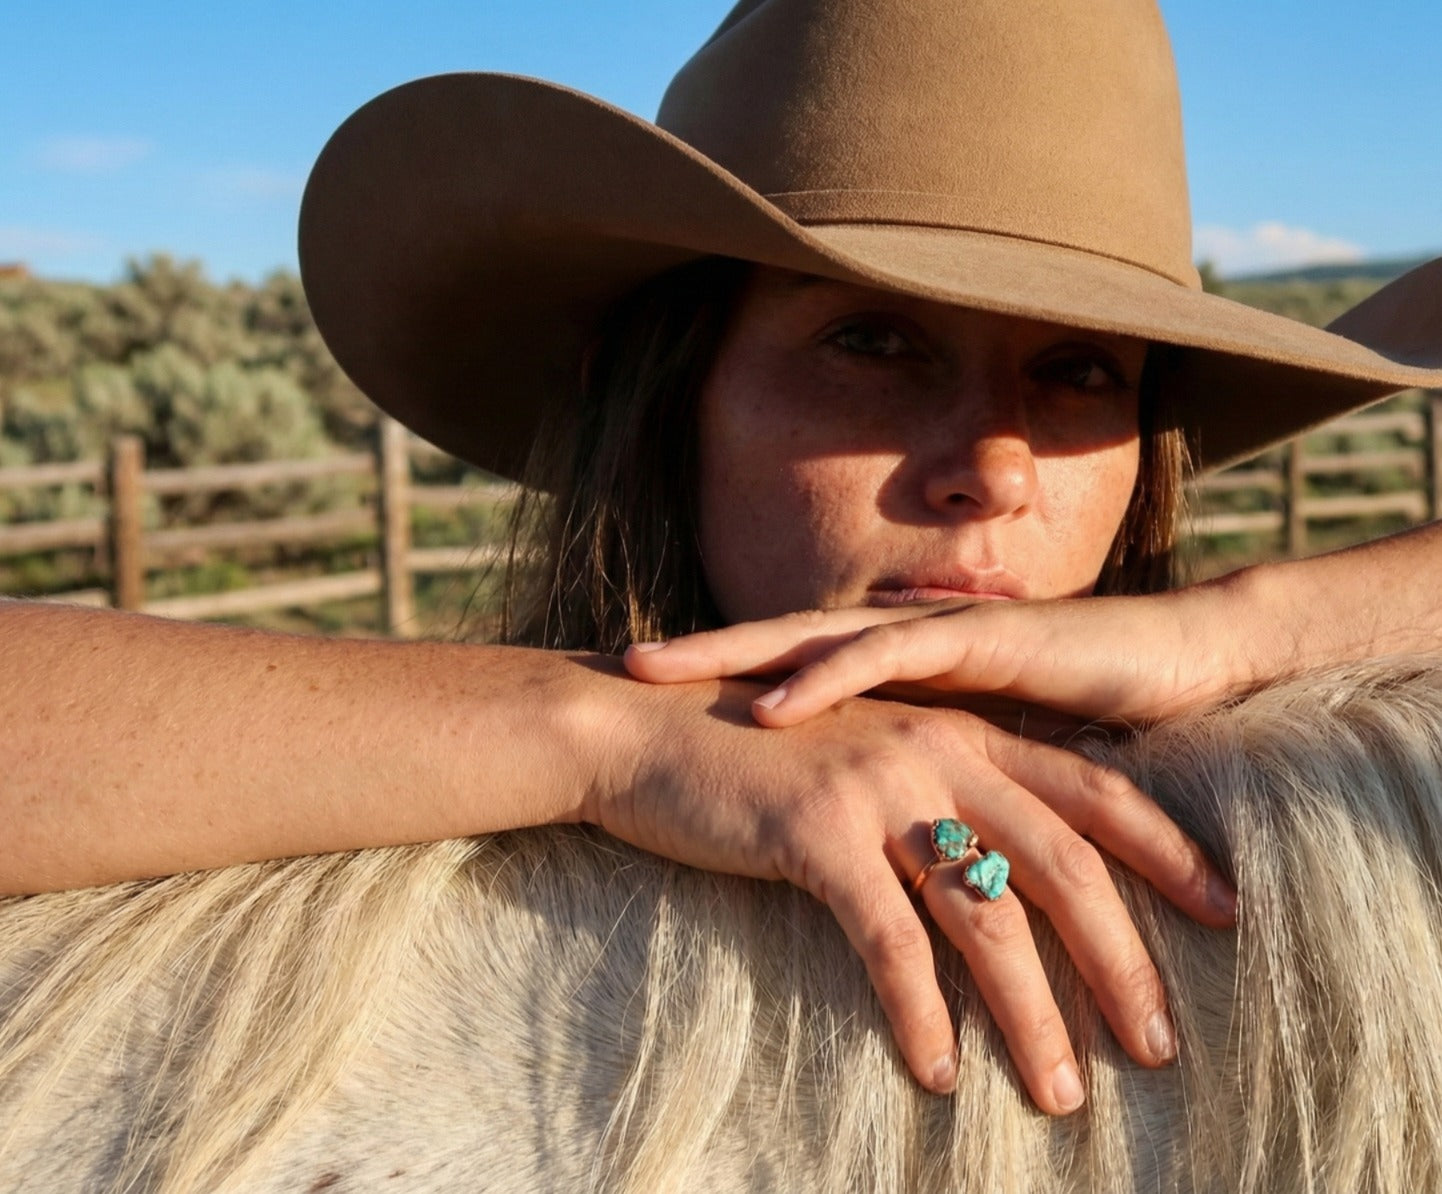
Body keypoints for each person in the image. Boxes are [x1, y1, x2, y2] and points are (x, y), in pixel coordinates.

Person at [3, 0, 1440, 1121]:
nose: (995, 465)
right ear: (666, 396)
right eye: (870, 340)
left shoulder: (1268, 823)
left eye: (1077, 371)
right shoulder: (443, 797)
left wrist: (1233, 631)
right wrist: (610, 732)